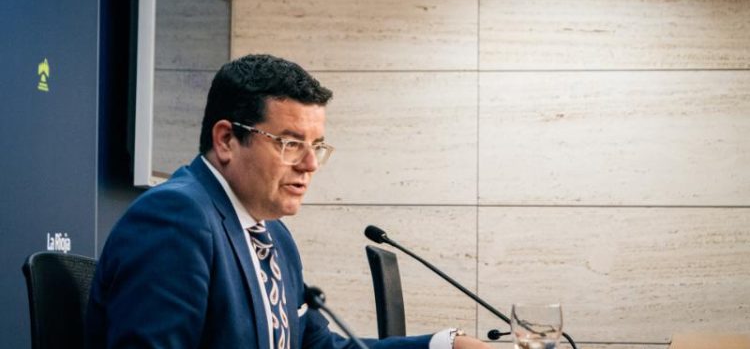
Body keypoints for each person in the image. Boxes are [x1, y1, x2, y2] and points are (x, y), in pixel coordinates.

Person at [86, 54, 490, 349]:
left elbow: (320, 347)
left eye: (317, 146)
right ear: (226, 140)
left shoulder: (274, 235)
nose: (310, 164)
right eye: (290, 143)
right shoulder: (176, 218)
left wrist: (445, 345)